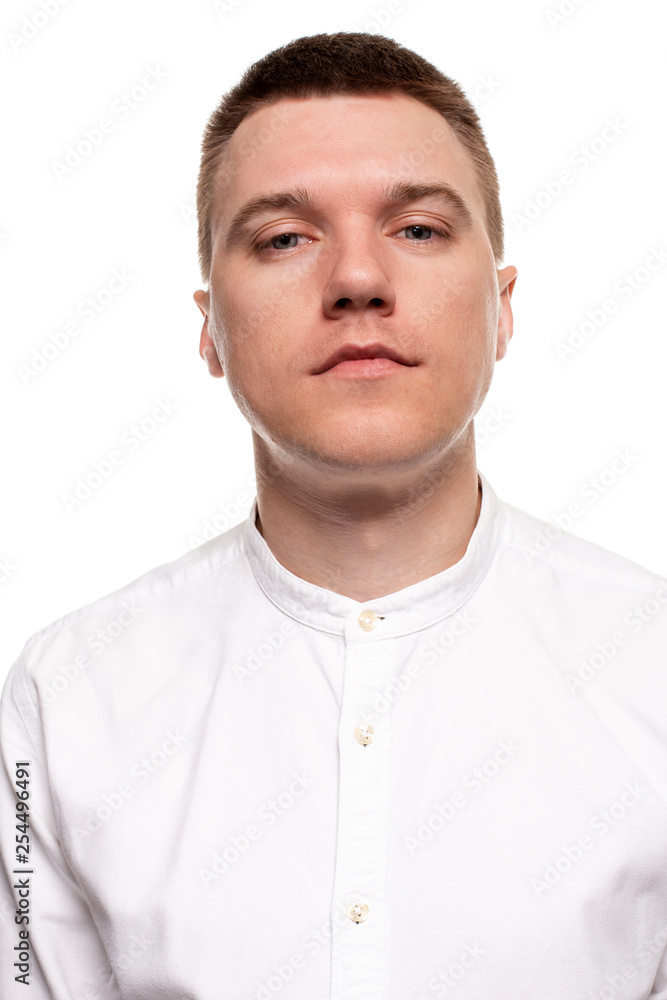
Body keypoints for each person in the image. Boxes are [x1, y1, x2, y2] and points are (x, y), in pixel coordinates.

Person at [1, 30, 667, 1000]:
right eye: (284, 237)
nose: (357, 280)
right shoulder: (65, 702)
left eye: (419, 229)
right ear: (209, 329)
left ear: (502, 306)